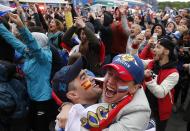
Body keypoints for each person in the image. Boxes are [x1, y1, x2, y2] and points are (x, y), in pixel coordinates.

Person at [60, 54, 151, 131]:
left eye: (120, 78)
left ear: (134, 88)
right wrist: (67, 106)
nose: (110, 81)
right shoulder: (100, 85)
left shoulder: (138, 110)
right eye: (110, 73)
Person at [0, 13, 57, 131]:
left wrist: (21, 26)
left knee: (41, 128)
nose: (26, 44)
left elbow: (33, 44)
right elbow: (12, 40)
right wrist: (0, 26)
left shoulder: (44, 58)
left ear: (38, 43)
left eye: (31, 41)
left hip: (43, 101)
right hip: (31, 98)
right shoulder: (29, 54)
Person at [52, 56, 103, 129]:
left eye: (87, 74)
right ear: (73, 95)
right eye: (83, 78)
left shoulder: (108, 92)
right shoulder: (79, 125)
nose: (92, 78)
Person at [144, 36, 179, 131]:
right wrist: (135, 45)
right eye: (154, 46)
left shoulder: (174, 73)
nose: (154, 49)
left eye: (158, 47)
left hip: (159, 112)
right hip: (145, 107)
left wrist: (148, 79)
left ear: (167, 52)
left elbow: (161, 93)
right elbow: (136, 61)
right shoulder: (152, 63)